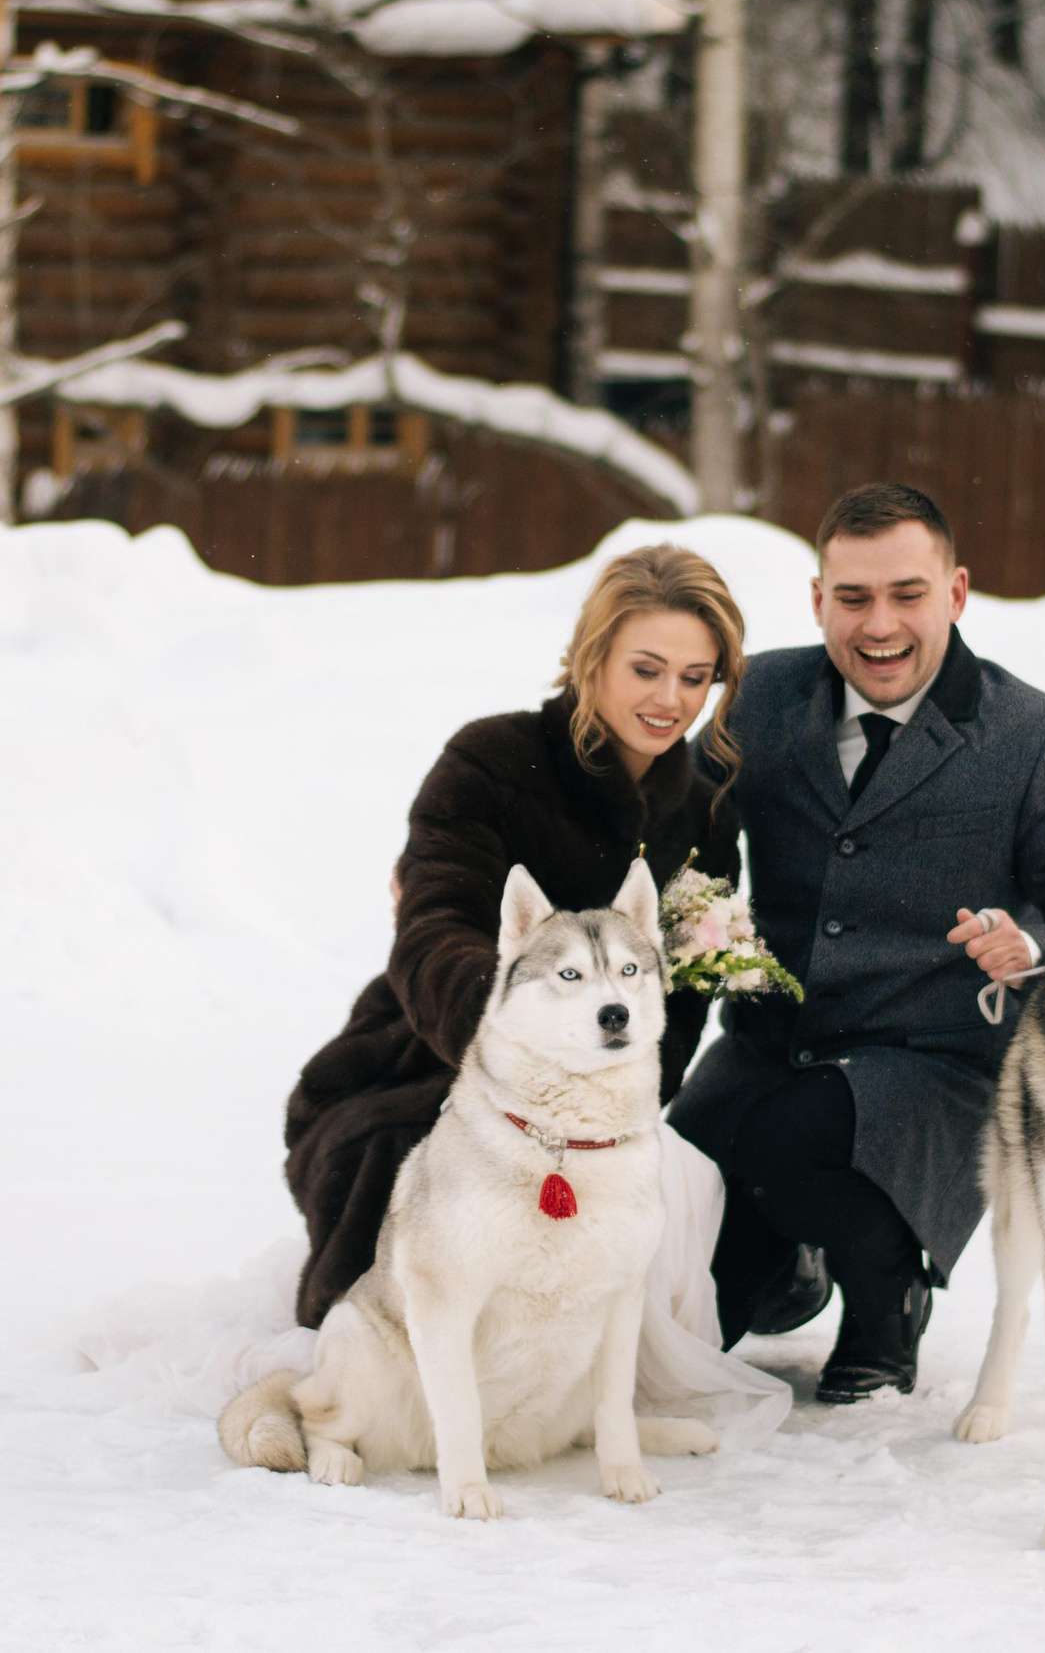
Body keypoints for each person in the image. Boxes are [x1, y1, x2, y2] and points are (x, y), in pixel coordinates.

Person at [668, 483, 1045, 1402]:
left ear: (954, 593)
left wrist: (1028, 943)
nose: (880, 625)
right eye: (854, 597)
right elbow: (660, 813)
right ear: (818, 600)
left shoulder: (1038, 736)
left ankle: (887, 1297)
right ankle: (791, 1261)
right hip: (770, 1043)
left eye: (907, 595)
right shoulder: (762, 700)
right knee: (684, 1308)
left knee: (789, 1139)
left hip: (928, 1066)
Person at [281, 543, 749, 1330]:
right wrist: (521, 1071)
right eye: (646, 668)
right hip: (428, 1055)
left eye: (694, 677)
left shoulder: (704, 814)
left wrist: (611, 1101)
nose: (670, 698)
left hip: (611, 1098)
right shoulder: (492, 761)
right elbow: (432, 930)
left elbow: (687, 993)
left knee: (679, 1221)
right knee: (421, 1176)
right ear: (593, 656)